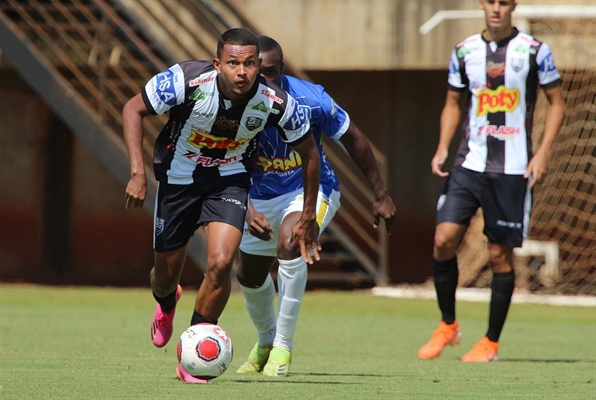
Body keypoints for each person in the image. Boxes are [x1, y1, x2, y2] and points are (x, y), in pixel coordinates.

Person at [122, 28, 322, 383]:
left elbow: (309, 153)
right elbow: (133, 108)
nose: (241, 72)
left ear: (259, 66)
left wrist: (308, 214)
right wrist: (138, 173)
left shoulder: (275, 102)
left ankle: (197, 347)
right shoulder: (186, 81)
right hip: (179, 183)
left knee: (220, 262)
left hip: (229, 182)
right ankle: (167, 303)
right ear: (218, 64)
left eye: (249, 64)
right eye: (233, 63)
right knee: (164, 279)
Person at [235, 35, 397, 377]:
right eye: (257, 72)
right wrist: (246, 206)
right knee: (248, 274)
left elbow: (353, 138)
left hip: (310, 189)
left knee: (290, 243)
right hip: (259, 195)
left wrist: (380, 193)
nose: (266, 80)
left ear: (281, 68)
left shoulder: (310, 99)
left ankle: (282, 347)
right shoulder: (231, 103)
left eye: (273, 72)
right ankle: (265, 341)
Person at [418, 0, 565, 362]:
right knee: (443, 240)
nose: (496, 8)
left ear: (513, 5)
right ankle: (448, 325)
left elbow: (557, 103)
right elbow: (453, 102)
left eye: (503, 2)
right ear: (482, 4)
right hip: (469, 164)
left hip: (512, 169)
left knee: (500, 255)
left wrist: (542, 153)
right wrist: (441, 147)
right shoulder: (464, 50)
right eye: (490, 1)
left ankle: (490, 343)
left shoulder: (534, 51)